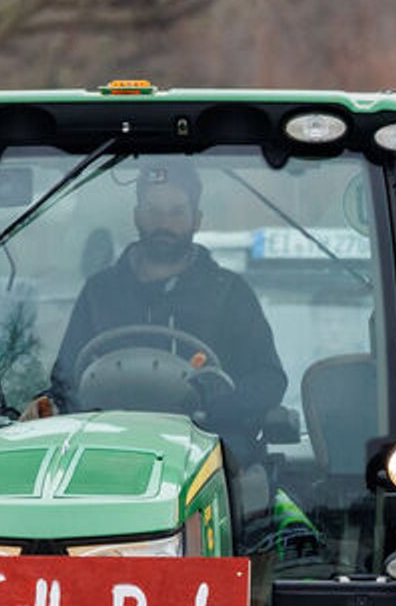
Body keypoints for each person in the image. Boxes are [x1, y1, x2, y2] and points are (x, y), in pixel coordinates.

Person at [47, 162, 288, 439]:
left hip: (212, 454)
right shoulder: (99, 292)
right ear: (137, 216)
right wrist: (48, 405)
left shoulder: (230, 292)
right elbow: (64, 382)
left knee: (253, 483)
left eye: (177, 212)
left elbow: (269, 380)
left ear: (196, 219)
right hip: (111, 450)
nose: (164, 223)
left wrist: (216, 406)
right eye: (153, 211)